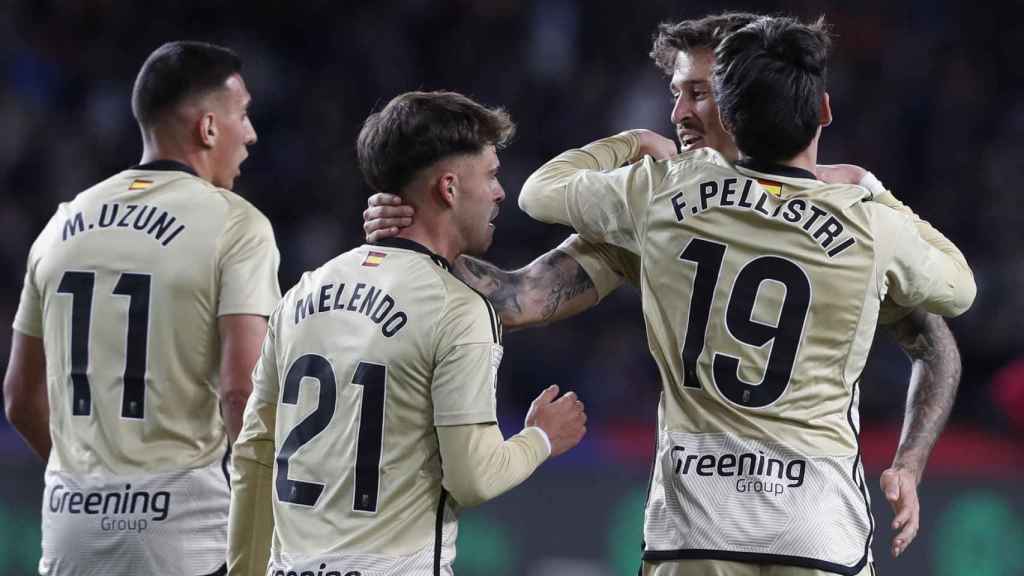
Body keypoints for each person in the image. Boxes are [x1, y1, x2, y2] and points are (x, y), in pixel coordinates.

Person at [364, 11, 962, 560]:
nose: (677, 114)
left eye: (697, 93)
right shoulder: (849, 213)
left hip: (695, 529)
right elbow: (517, 298)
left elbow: (516, 287)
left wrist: (910, 460)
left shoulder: (657, 201)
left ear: (740, 98)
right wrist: (421, 235)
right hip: (812, 528)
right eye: (675, 93)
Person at [227, 91, 587, 576]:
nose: (500, 192)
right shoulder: (459, 310)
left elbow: (254, 453)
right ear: (449, 188)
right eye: (492, 175)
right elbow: (473, 477)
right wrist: (541, 438)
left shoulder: (301, 294)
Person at [2, 41, 280, 575]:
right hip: (183, 544)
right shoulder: (236, 226)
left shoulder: (59, 226)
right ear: (207, 128)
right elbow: (241, 389)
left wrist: (89, 486)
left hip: (69, 537)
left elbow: (19, 397)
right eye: (242, 116)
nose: (250, 134)